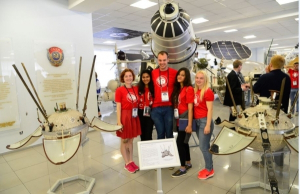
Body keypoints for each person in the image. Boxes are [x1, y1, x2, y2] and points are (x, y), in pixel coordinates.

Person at [252, 55, 291, 168]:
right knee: (280, 133)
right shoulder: (286, 77)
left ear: (271, 64)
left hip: (266, 112)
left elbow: (255, 89)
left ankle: (265, 162)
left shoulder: (265, 77)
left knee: (266, 135)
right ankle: (279, 162)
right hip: (282, 110)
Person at [115, 68, 141, 173]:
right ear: (123, 78)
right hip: (125, 116)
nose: (128, 78)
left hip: (134, 116)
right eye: (126, 76)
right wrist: (119, 122)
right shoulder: (120, 90)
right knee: (124, 141)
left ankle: (131, 160)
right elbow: (118, 107)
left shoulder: (135, 88)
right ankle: (126, 163)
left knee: (131, 140)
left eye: (130, 76)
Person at [170, 67, 193, 177]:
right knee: (184, 142)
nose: (180, 76)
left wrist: (189, 124)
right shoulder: (178, 88)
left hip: (185, 119)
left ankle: (182, 167)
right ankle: (188, 162)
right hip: (178, 119)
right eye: (179, 74)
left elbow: (190, 108)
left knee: (179, 143)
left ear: (186, 77)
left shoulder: (189, 89)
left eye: (183, 75)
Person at [151, 51, 177, 139]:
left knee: (169, 134)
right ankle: (161, 152)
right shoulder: (153, 73)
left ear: (168, 60)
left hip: (169, 107)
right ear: (157, 60)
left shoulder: (174, 73)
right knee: (160, 133)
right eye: (160, 60)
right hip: (156, 108)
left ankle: (170, 152)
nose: (162, 62)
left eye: (164, 60)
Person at [194, 70, 215, 180]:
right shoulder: (196, 91)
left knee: (204, 147)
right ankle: (209, 167)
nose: (198, 80)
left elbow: (210, 109)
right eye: (197, 77)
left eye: (201, 78)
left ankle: (209, 169)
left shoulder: (207, 92)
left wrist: (207, 125)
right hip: (198, 122)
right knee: (204, 146)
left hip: (204, 122)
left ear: (205, 80)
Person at [138, 69, 154, 141]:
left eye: (147, 77)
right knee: (142, 134)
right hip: (140, 112)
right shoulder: (138, 88)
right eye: (143, 77)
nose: (145, 79)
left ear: (150, 77)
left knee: (148, 134)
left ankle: (149, 151)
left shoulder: (153, 88)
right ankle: (143, 150)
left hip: (150, 112)